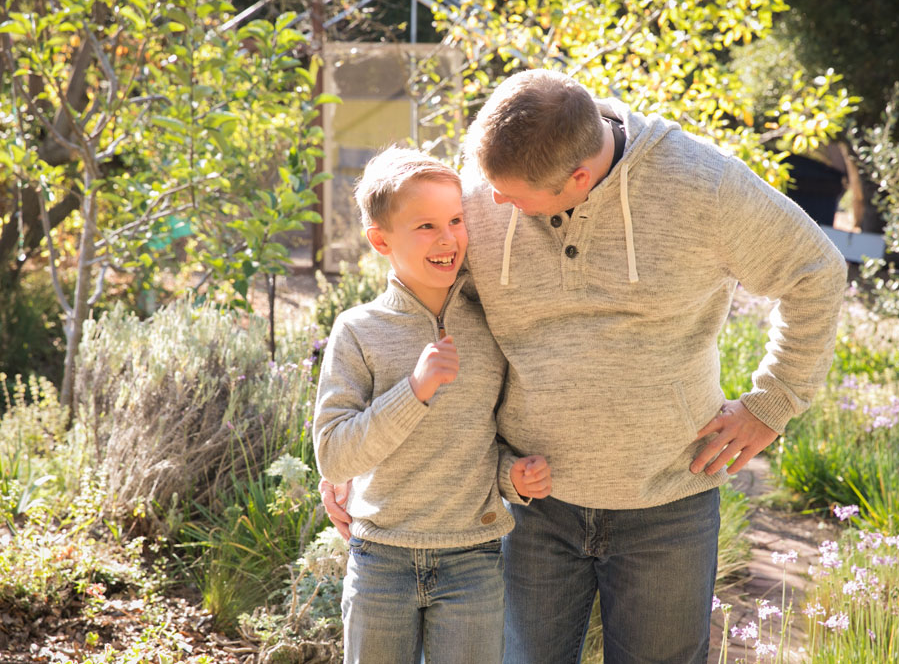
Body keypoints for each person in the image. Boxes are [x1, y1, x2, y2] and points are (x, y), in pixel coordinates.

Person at [323, 69, 847, 663]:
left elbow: (816, 272)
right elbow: (418, 297)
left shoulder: (705, 185)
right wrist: (354, 454)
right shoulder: (491, 182)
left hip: (666, 501)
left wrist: (771, 404)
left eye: (513, 198)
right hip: (529, 503)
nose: (490, 203)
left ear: (577, 177)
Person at [312, 146, 552, 664]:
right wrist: (414, 390)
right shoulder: (357, 330)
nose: (448, 239)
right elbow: (333, 456)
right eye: (425, 226)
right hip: (381, 559)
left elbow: (488, 439)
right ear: (381, 241)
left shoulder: (490, 325)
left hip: (473, 560)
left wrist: (515, 478)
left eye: (456, 220)